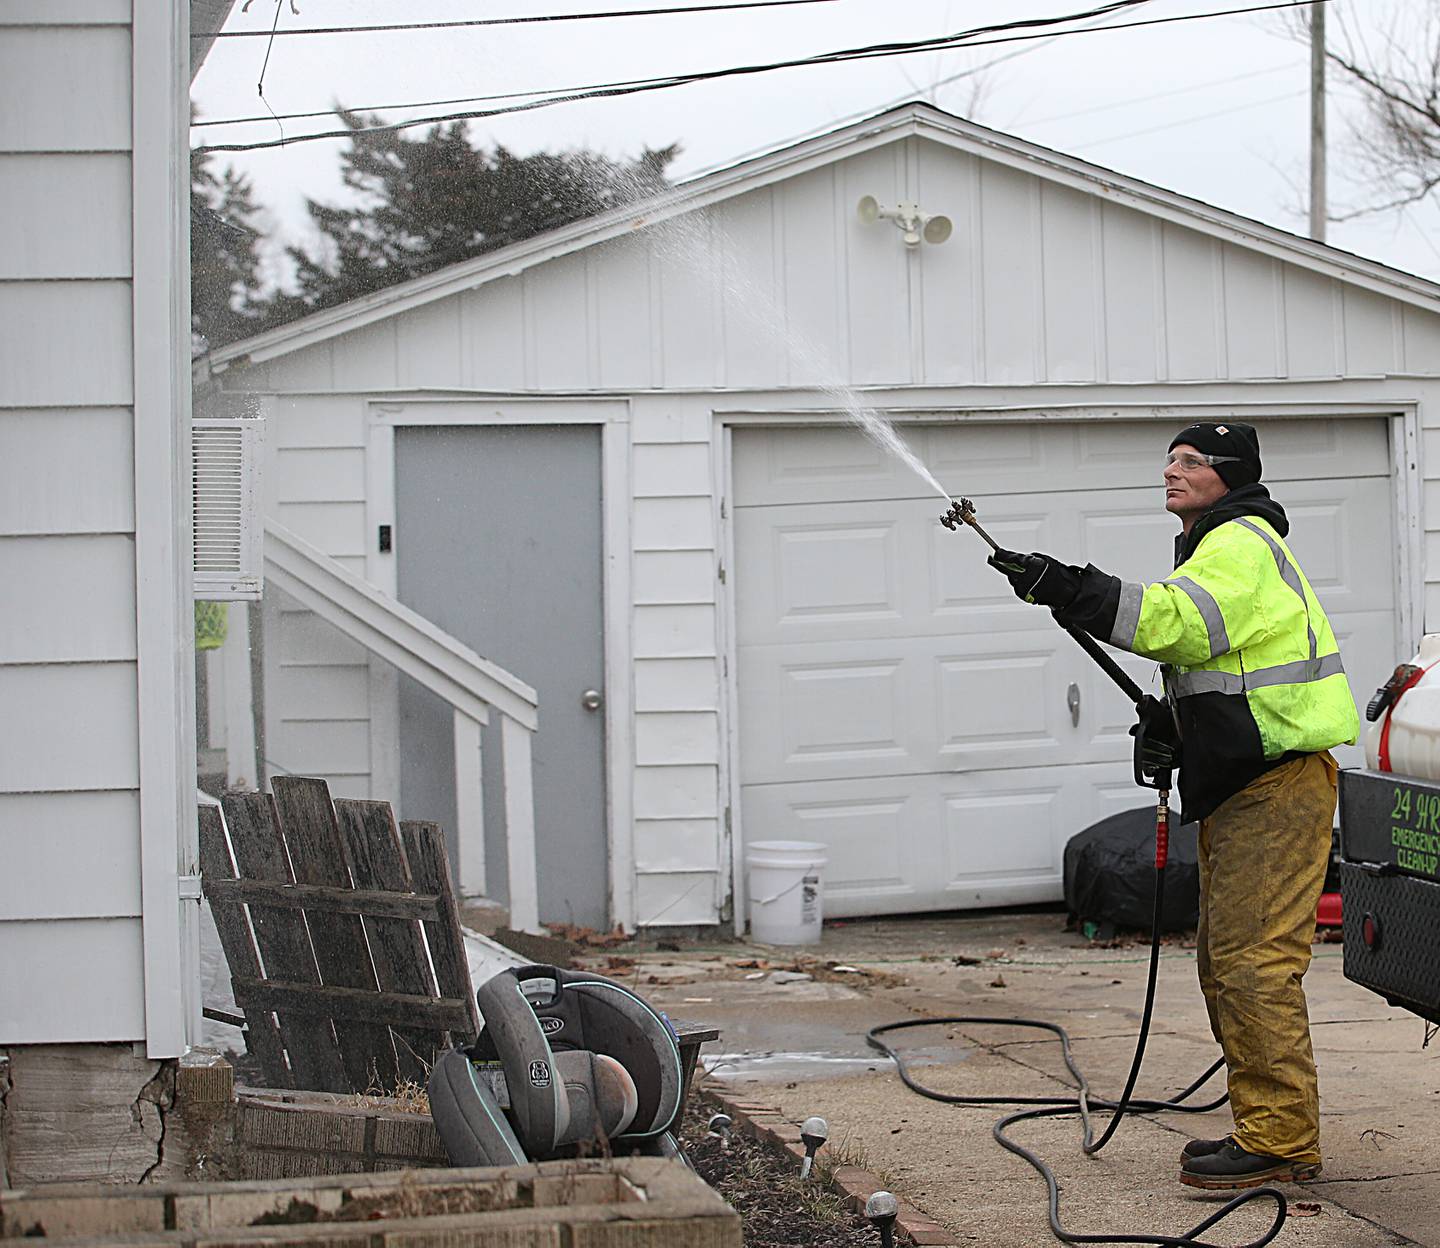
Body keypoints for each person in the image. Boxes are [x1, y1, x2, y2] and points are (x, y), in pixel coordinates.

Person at [987, 421, 1359, 1190]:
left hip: (1276, 783)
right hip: (1247, 783)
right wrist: (1176, 725)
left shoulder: (1241, 544)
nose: (1170, 471)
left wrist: (1070, 587)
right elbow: (1221, 664)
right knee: (1226, 964)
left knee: (1253, 966)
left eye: (1190, 461)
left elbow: (1177, 625)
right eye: (1170, 459)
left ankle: (1282, 1142)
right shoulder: (1217, 545)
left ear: (1229, 475)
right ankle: (1267, 1125)